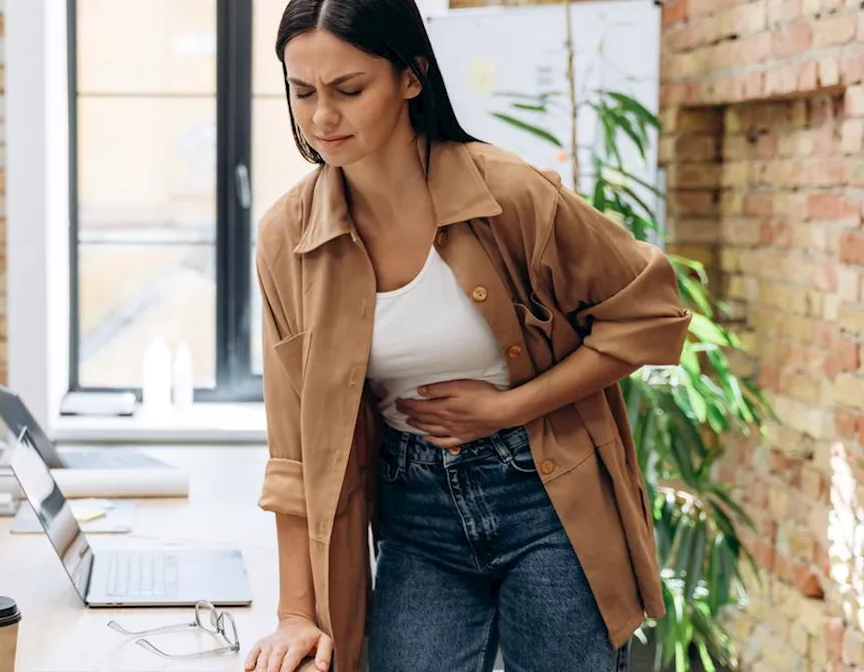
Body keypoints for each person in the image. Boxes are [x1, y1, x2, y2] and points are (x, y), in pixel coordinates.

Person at [243, 1, 692, 671]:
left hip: (547, 497)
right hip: (414, 511)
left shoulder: (509, 195)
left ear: (412, 77)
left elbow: (650, 312)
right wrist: (294, 615)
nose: (321, 118)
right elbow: (295, 454)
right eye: (301, 91)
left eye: (348, 89)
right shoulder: (289, 239)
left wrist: (509, 407)